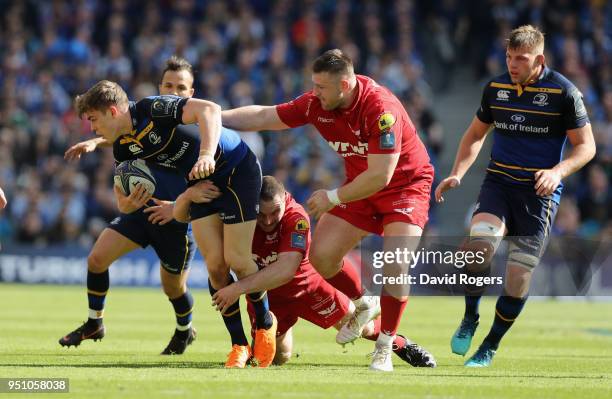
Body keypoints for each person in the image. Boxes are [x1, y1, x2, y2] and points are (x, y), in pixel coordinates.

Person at [221, 49, 435, 371]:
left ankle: (385, 346)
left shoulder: (381, 109)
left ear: (345, 85)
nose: (314, 93)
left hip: (404, 186)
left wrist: (333, 197)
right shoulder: (316, 104)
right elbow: (266, 116)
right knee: (321, 257)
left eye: (321, 87)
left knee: (395, 264)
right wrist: (213, 118)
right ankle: (365, 302)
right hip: (360, 187)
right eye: (314, 85)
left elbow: (382, 175)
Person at [62, 61, 277, 367]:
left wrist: (205, 154)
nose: (92, 128)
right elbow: (124, 194)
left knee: (240, 261)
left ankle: (265, 324)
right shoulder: (123, 148)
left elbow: (211, 110)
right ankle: (239, 344)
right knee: (216, 268)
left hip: (236, 170)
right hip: (199, 184)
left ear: (112, 112)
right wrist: (126, 204)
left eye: (93, 121)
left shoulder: (154, 108)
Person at [435, 25, 595, 367]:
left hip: (538, 195)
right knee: (478, 249)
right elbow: (475, 134)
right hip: (498, 185)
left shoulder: (565, 93)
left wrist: (557, 172)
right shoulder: (496, 88)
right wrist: (457, 173)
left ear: (539, 58)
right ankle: (470, 317)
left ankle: (490, 344)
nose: (513, 64)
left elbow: (587, 147)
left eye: (520, 59)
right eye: (509, 57)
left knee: (517, 278)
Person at [203, 175, 436, 367]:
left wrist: (237, 288)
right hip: (267, 299)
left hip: (308, 290)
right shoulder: (243, 218)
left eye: (274, 212)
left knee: (363, 328)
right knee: (277, 358)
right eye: (261, 214)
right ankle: (279, 330)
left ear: (285, 198)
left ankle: (402, 345)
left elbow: (286, 270)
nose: (268, 220)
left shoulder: (297, 218)